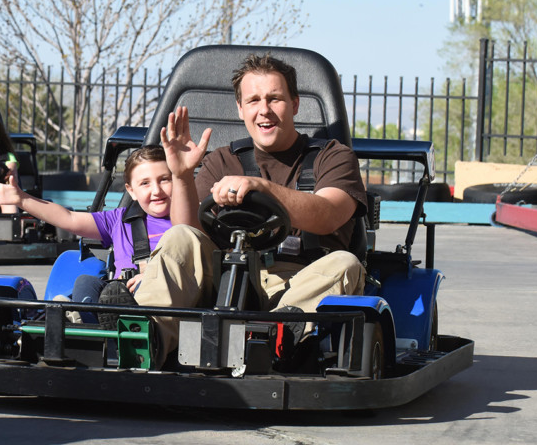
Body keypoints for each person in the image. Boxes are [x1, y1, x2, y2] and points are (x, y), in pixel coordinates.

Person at [105, 53, 369, 361]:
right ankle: (147, 338)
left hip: (300, 281)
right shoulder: (222, 160)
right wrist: (182, 176)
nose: (264, 110)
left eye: (275, 99)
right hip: (227, 278)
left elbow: (329, 215)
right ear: (240, 108)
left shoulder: (333, 157)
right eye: (254, 100)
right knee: (178, 237)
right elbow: (189, 231)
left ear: (295, 104)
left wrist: (263, 188)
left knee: (345, 263)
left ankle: (278, 339)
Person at [0, 144, 176, 307]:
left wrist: (151, 280)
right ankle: (78, 319)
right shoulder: (119, 220)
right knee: (85, 282)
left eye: (164, 180)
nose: (156, 190)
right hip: (116, 297)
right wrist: (21, 199)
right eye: (145, 183)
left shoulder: (185, 223)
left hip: (160, 302)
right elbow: (69, 219)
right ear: (130, 191)